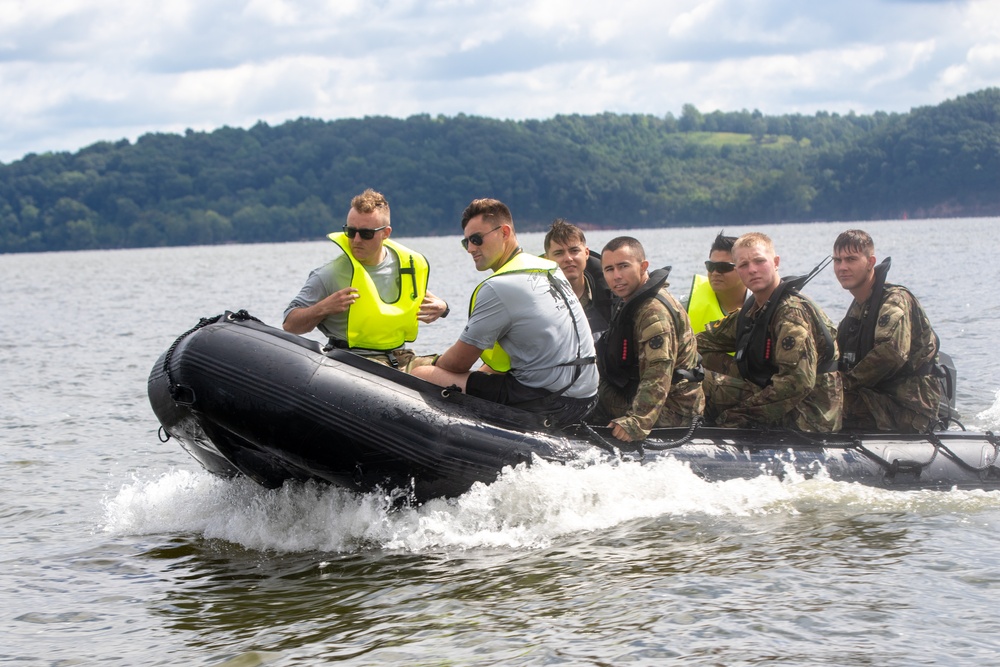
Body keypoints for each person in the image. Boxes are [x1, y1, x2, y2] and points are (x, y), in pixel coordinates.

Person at [411, 198, 598, 425]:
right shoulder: (548, 268)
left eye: (477, 239)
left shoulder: (499, 287)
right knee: (483, 375)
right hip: (587, 396)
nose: (471, 248)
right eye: (466, 242)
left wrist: (428, 364)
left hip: (551, 401)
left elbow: (456, 364)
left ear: (504, 232)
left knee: (424, 375)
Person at [282, 188, 448, 369]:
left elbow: (421, 297)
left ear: (386, 233)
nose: (357, 240)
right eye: (351, 232)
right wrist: (324, 307)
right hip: (353, 362)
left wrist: (443, 307)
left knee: (448, 369)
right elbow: (290, 325)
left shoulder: (406, 266)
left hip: (401, 357)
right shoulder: (328, 275)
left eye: (366, 234)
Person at [696, 232, 842, 432]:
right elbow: (700, 342)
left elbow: (797, 383)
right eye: (744, 265)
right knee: (697, 361)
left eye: (759, 261)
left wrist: (738, 415)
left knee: (701, 381)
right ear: (738, 270)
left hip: (809, 414)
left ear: (775, 262)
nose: (752, 270)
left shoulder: (791, 313)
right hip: (774, 392)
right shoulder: (753, 309)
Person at [832, 229, 943, 432]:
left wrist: (843, 384)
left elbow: (891, 354)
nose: (842, 267)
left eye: (851, 259)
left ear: (870, 262)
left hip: (909, 407)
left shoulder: (894, 300)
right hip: (877, 397)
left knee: (823, 405)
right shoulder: (858, 309)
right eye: (837, 260)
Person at [596, 237, 705, 441]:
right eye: (609, 269)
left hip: (674, 410)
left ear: (643, 266)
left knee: (591, 396)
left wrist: (637, 422)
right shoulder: (631, 300)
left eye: (623, 266)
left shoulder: (653, 312)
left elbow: (658, 371)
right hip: (655, 396)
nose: (616, 276)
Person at [543, 219, 613, 338]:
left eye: (574, 251)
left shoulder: (612, 296)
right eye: (559, 253)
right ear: (547, 259)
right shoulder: (538, 300)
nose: (568, 258)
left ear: (586, 253)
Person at [687, 232, 749, 334]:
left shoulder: (763, 303)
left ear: (743, 267)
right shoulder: (686, 305)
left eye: (723, 267)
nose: (715, 273)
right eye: (711, 266)